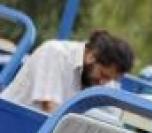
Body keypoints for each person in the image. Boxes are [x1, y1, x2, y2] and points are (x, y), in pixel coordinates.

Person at [1, 29, 134, 113]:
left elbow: (112, 117)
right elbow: (50, 109)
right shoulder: (54, 53)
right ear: (91, 56)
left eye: (110, 79)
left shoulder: (102, 80)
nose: (103, 83)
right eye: (103, 75)